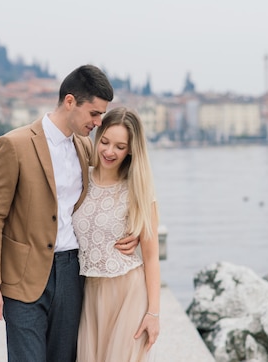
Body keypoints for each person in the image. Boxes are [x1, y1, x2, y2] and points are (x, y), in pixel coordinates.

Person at [0, 65, 139, 362]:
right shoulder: (14, 145)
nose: (98, 122)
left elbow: (114, 192)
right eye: (94, 113)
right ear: (69, 101)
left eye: (102, 114)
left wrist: (137, 230)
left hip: (72, 274)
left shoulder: (85, 148)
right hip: (23, 278)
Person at [72, 106, 161, 362]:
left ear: (131, 149)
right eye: (106, 142)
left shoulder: (138, 190)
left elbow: (151, 257)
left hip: (128, 293)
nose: (110, 152)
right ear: (98, 137)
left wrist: (153, 314)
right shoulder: (80, 179)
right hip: (89, 294)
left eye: (120, 147)